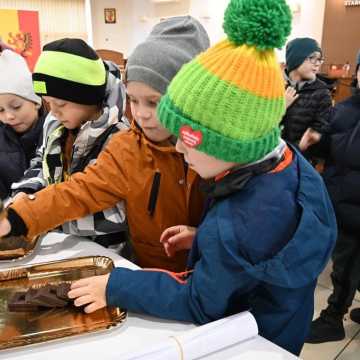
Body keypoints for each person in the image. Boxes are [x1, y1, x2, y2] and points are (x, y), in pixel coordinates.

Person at [61, 0, 335, 355]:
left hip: (248, 342)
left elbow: (200, 302)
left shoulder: (236, 224)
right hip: (285, 323)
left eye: (187, 139)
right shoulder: (286, 161)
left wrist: (118, 286)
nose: (178, 149)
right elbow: (266, 245)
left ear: (230, 143)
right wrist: (206, 237)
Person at [0, 17, 208, 271]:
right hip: (150, 273)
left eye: (153, 102)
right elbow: (79, 191)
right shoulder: (128, 148)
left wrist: (205, 237)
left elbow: (244, 218)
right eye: (133, 100)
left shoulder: (217, 151)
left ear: (188, 99)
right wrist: (19, 216)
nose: (140, 114)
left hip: (213, 275)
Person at [10, 38, 129, 248]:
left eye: (61, 104)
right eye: (47, 103)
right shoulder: (56, 123)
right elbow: (42, 162)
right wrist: (27, 193)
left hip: (107, 250)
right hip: (62, 241)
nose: (54, 111)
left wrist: (46, 217)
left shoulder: (118, 136)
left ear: (88, 98)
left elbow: (117, 214)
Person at [306, 50, 360, 343]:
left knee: (347, 265)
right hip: (338, 201)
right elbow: (328, 148)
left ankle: (333, 318)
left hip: (356, 209)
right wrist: (315, 142)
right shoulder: (343, 109)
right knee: (346, 262)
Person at [0, 50, 47, 200]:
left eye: (16, 106)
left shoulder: (55, 133)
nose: (9, 116)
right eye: (0, 110)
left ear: (36, 102)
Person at [281, 37, 332, 157]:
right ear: (296, 58)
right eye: (312, 58)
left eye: (320, 59)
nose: (317, 64)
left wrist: (301, 146)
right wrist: (281, 107)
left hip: (299, 159)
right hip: (269, 155)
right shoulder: (274, 85)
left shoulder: (322, 92)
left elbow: (320, 129)